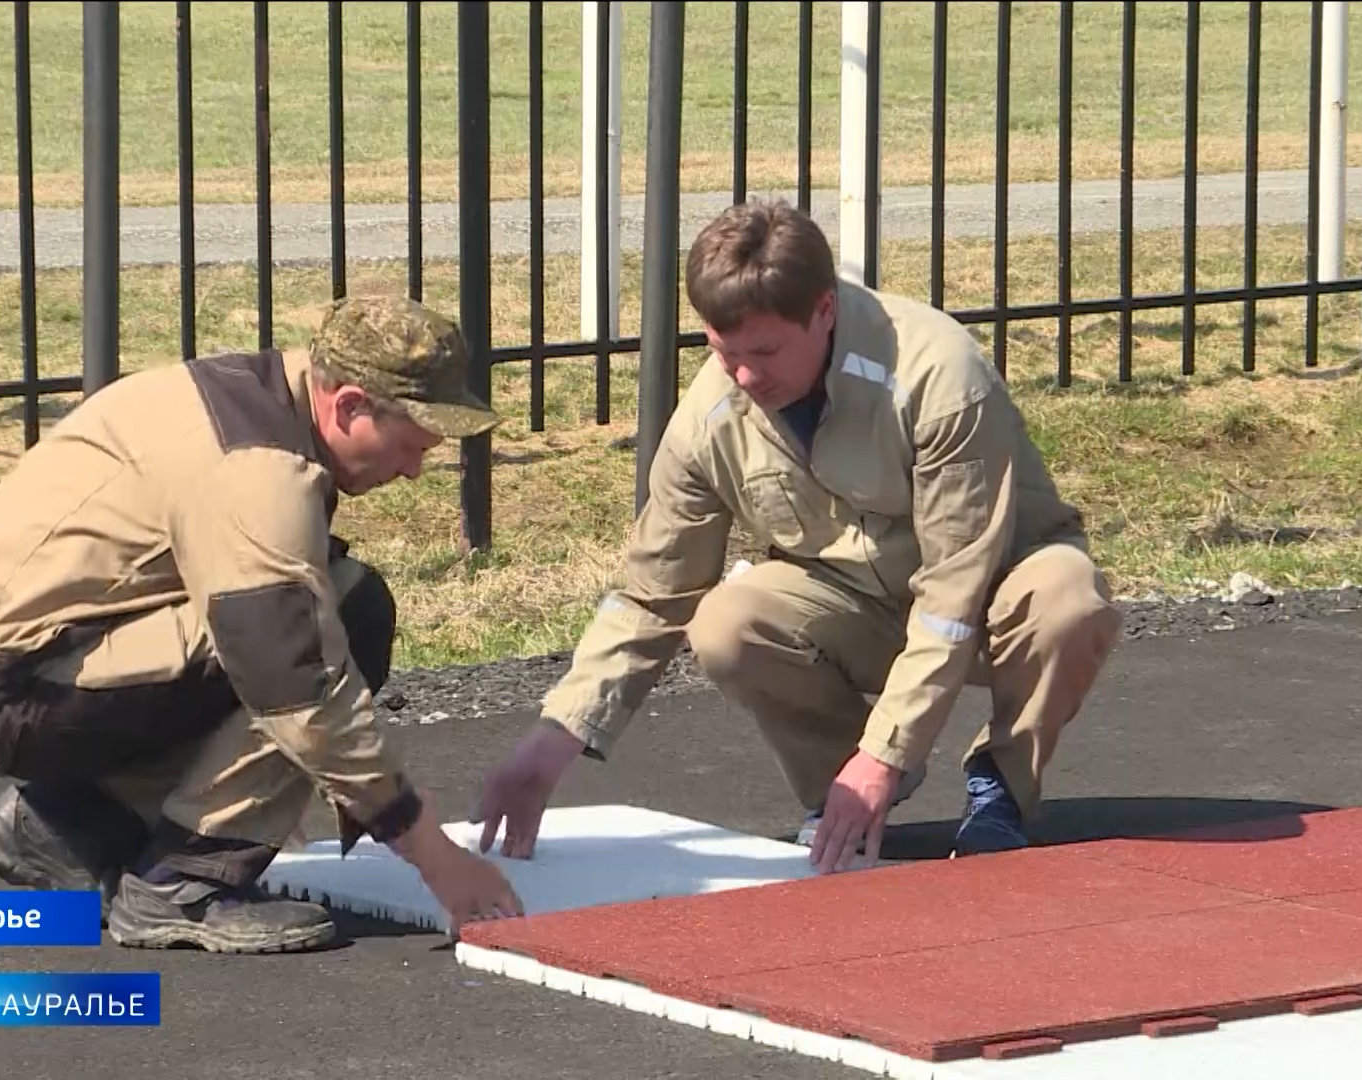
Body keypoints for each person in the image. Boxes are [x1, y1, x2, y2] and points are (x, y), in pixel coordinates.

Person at [475, 200, 1122, 874]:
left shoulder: (936, 374)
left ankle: (1001, 790)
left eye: (765, 351)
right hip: (856, 608)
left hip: (989, 600)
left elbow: (952, 595)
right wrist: (554, 740)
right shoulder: (708, 419)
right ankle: (849, 789)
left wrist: (888, 746)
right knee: (728, 621)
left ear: (824, 310)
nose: (746, 377)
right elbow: (652, 596)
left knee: (1067, 601)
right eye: (725, 353)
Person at [0, 295, 523, 953]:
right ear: (348, 405)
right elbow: (295, 686)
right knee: (339, 619)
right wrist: (430, 850)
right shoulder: (258, 470)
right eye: (412, 444)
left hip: (21, 665)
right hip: (19, 692)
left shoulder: (260, 394)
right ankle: (187, 882)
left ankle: (68, 824)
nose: (413, 469)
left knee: (313, 604)